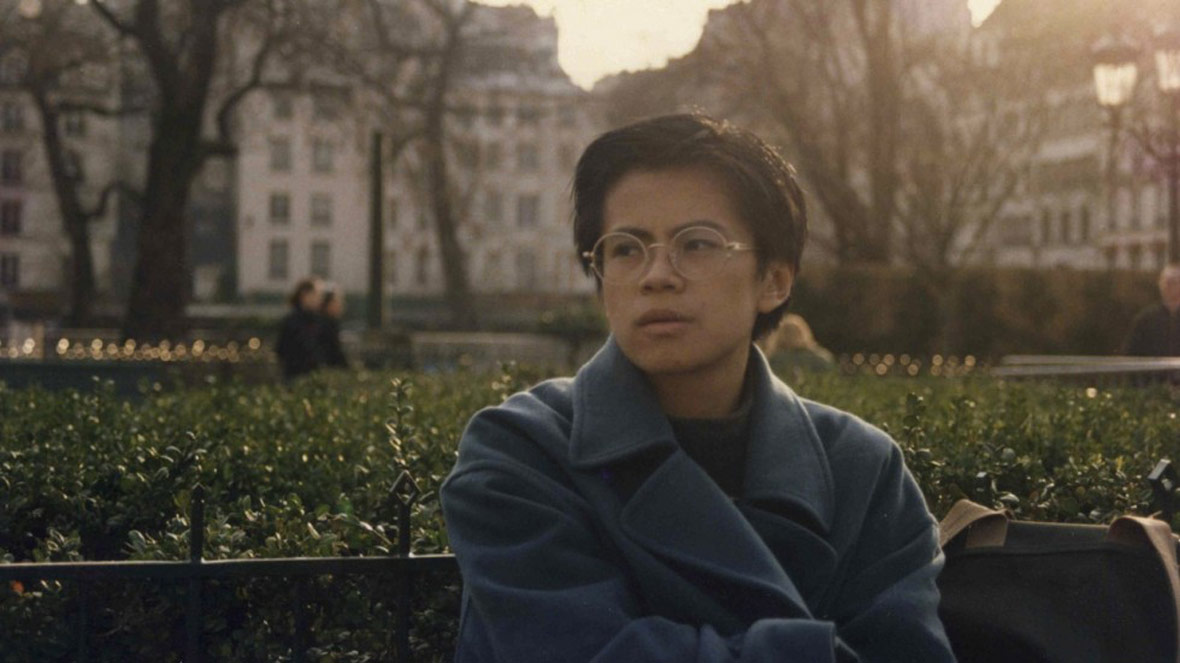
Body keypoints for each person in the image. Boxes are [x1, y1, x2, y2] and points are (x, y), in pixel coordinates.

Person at [440, 114, 954, 661]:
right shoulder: (523, 451)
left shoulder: (863, 468)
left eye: (698, 244)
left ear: (775, 281)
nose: (656, 275)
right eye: (626, 249)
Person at [1122, 263, 1180, 356]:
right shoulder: (1145, 319)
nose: (1167, 286)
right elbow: (1130, 352)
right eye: (1164, 281)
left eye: (1173, 282)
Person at [757, 312, 835, 379]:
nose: (792, 336)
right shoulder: (821, 358)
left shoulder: (772, 359)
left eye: (793, 332)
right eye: (789, 332)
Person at [275, 277, 324, 381]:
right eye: (316, 295)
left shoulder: (318, 320)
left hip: (313, 377)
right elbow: (281, 349)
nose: (319, 299)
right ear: (305, 294)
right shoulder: (292, 321)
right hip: (296, 377)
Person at [318, 286, 349, 370]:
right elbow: (334, 350)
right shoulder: (326, 324)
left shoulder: (330, 322)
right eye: (337, 302)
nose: (341, 305)